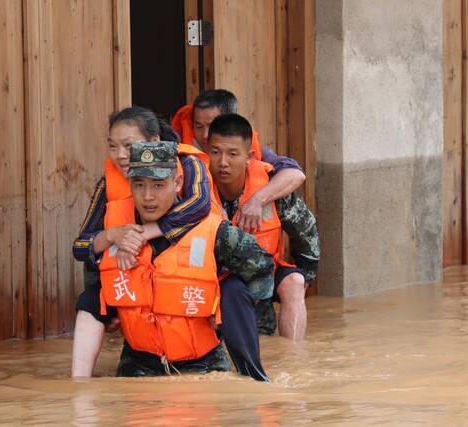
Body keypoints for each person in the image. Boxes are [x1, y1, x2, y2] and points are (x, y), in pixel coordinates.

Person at [72, 107, 269, 380]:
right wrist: (111, 307)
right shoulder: (115, 221)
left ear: (177, 182)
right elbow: (92, 270)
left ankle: (252, 374)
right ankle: (78, 389)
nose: (148, 196)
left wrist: (229, 316)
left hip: (203, 364)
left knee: (234, 291)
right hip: (138, 364)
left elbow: (262, 268)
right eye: (139, 185)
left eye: (158, 185)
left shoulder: (213, 228)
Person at [206, 113, 320, 341]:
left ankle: (294, 356)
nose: (223, 162)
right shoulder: (197, 187)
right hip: (213, 278)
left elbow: (306, 232)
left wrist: (306, 275)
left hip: (266, 272)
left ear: (249, 156)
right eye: (216, 152)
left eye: (232, 154)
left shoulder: (270, 188)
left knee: (295, 283)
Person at [172, 89, 305, 233]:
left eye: (212, 125)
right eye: (198, 126)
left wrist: (257, 200)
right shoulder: (183, 153)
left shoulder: (249, 149)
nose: (205, 135)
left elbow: (295, 174)